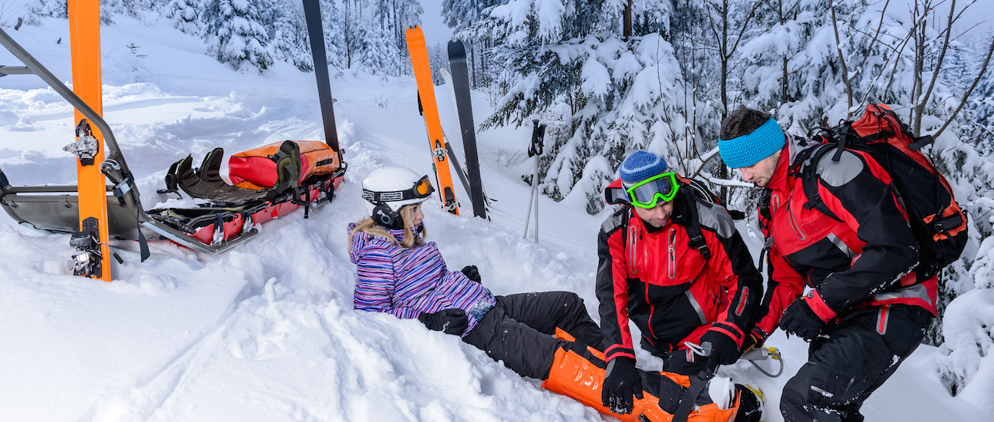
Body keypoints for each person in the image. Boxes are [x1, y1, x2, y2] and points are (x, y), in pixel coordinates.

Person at [349, 166, 746, 422]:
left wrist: (457, 281)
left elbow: (420, 286)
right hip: (475, 330)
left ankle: (611, 364)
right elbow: (369, 316)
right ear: (389, 212)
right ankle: (691, 408)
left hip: (484, 306)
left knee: (567, 305)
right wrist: (429, 321)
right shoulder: (377, 254)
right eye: (414, 209)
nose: (421, 216)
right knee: (563, 359)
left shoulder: (408, 238)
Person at [718, 107, 936, 422]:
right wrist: (749, 336)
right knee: (828, 409)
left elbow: (897, 250)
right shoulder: (773, 203)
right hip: (841, 312)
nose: (746, 177)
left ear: (774, 148)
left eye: (749, 164)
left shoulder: (832, 171)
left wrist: (818, 305)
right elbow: (786, 281)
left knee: (807, 400)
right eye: (738, 168)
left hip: (895, 303)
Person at [596, 151, 764, 389]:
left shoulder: (707, 220)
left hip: (704, 336)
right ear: (630, 201)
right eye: (650, 207)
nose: (661, 213)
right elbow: (611, 296)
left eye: (666, 201)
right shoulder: (615, 232)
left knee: (676, 392)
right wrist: (619, 355)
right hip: (652, 339)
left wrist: (730, 329)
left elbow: (744, 279)